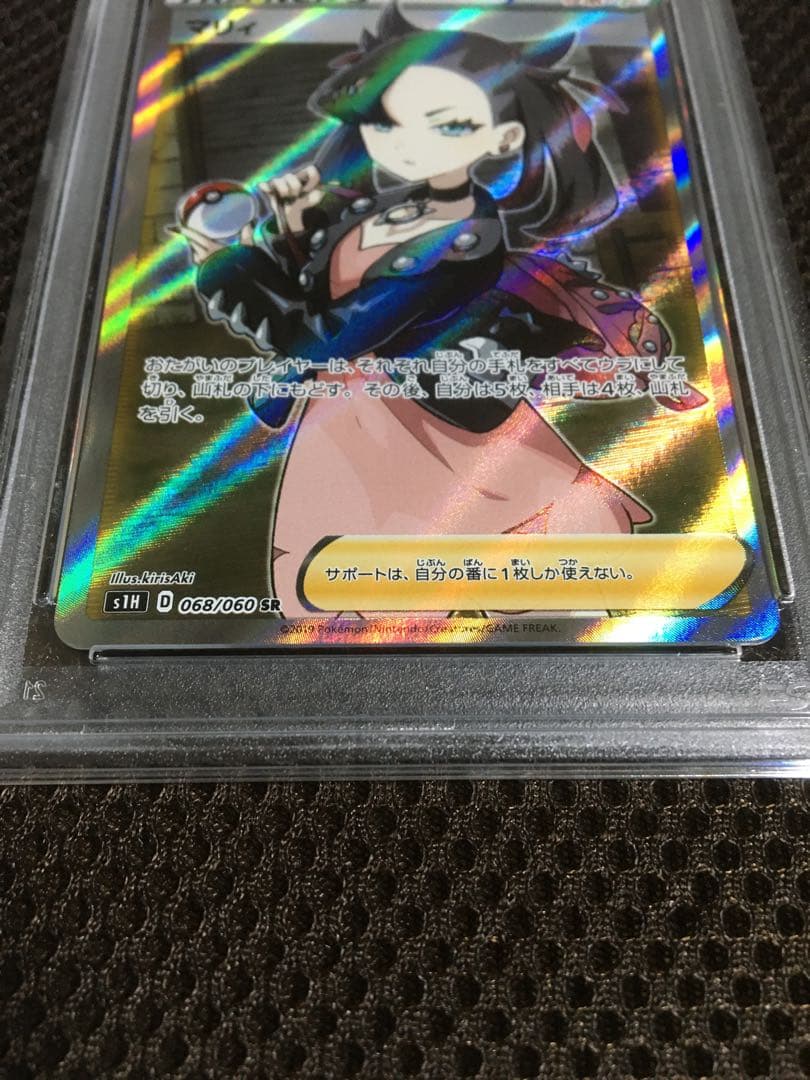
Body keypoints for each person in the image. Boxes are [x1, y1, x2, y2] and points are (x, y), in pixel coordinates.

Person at [180, 3, 704, 617]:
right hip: (351, 417)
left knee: (475, 566)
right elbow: (316, 299)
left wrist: (222, 265)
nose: (407, 142)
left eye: (448, 125)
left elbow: (321, 337)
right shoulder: (378, 212)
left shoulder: (462, 243)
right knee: (360, 591)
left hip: (423, 417)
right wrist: (292, 231)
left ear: (503, 138)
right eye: (387, 121)